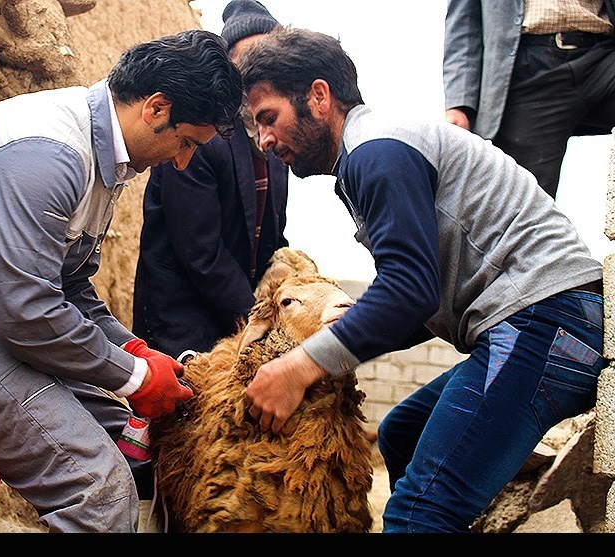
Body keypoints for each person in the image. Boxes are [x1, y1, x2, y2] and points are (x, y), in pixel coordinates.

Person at [0, 29, 243, 533]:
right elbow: (27, 312)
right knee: (95, 485)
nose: (182, 160)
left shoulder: (103, 158)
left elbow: (71, 287)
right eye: (186, 141)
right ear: (155, 108)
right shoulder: (47, 151)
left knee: (136, 451)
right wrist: (135, 378)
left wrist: (136, 352)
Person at [237, 26, 605, 533]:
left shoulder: (377, 151)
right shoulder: (372, 152)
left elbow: (409, 290)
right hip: (543, 324)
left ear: (319, 97)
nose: (264, 140)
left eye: (268, 118)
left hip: (544, 324)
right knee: (403, 431)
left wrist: (300, 367)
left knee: (418, 511)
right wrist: (348, 330)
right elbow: (420, 293)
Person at [132, 0, 289, 360]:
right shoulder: (199, 135)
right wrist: (257, 322)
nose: (263, 68)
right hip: (182, 321)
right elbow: (200, 252)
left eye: (273, 56)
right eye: (251, 58)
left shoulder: (275, 137)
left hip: (234, 320)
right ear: (231, 68)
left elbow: (271, 234)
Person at [443, 0, 615, 199]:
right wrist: (460, 104)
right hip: (530, 66)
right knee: (526, 201)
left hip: (602, 54)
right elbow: (464, 23)